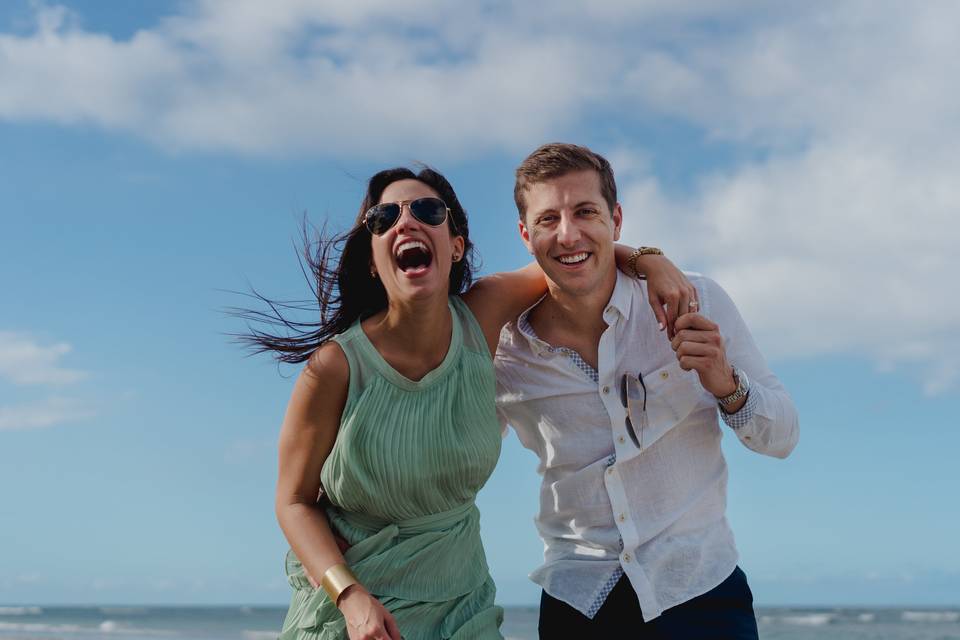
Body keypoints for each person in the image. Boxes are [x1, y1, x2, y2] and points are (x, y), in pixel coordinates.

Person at [239, 166, 694, 640]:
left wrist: (649, 260)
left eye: (428, 211)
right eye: (384, 217)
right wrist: (350, 596)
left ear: (455, 245)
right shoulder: (334, 367)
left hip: (463, 609)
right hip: (361, 615)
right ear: (373, 259)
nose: (406, 222)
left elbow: (571, 255)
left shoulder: (484, 314)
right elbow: (293, 501)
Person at [494, 143, 800, 639]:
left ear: (616, 220)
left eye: (585, 211)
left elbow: (782, 437)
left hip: (701, 589)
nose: (568, 233)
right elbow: (465, 454)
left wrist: (725, 383)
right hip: (579, 601)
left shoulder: (696, 300)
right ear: (526, 235)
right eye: (548, 219)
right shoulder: (507, 352)